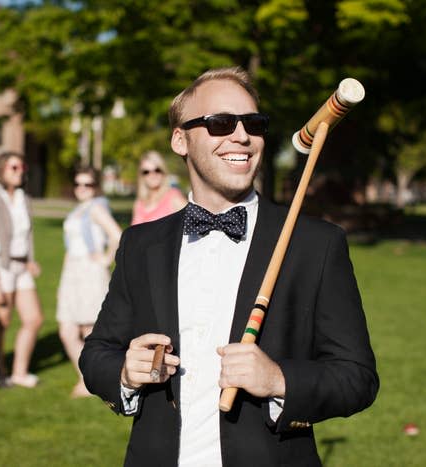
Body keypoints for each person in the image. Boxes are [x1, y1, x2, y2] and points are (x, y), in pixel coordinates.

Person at [79, 67, 378, 466]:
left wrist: (278, 380)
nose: (242, 136)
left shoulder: (315, 245)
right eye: (221, 123)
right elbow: (97, 354)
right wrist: (125, 372)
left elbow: (357, 378)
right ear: (180, 139)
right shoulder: (140, 244)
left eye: (254, 124)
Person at [0, 152, 44, 388]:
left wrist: (29, 260)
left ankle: (19, 372)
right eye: (13, 167)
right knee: (2, 321)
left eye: (21, 167)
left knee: (34, 319)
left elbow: (26, 235)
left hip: (20, 265)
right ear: (1, 170)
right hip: (0, 266)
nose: (19, 171)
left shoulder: (22, 198)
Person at [57, 167, 121, 397]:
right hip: (72, 270)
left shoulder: (96, 208)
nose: (82, 189)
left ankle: (91, 380)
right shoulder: (79, 209)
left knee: (88, 329)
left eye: (87, 185)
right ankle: (87, 377)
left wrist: (105, 259)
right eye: (78, 184)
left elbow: (116, 235)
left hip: (89, 271)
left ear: (95, 187)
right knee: (66, 329)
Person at [131, 150, 187, 225]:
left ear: (163, 171)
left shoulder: (173, 196)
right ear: (141, 176)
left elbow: (193, 223)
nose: (152, 175)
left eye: (157, 170)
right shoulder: (139, 203)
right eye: (146, 172)